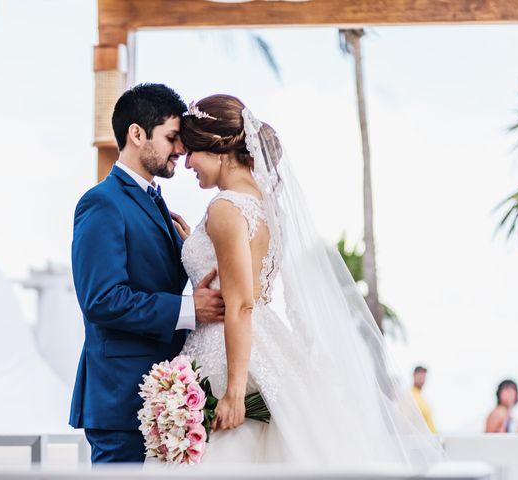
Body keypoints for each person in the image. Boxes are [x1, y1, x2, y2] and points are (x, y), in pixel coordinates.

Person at [172, 94, 445, 467]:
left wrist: (235, 390)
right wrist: (197, 244)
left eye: (192, 153)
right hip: (267, 342)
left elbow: (240, 303)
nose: (187, 162)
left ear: (218, 149)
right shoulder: (268, 207)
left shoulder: (224, 208)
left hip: (231, 347)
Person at [69, 83, 224, 463]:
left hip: (164, 398)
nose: (181, 150)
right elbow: (102, 300)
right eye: (172, 138)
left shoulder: (155, 202)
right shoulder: (102, 203)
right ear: (137, 134)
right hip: (121, 401)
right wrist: (191, 310)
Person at [410, 365, 437, 433]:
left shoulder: (422, 397)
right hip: (421, 440)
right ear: (414, 375)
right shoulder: (410, 396)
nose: (422, 378)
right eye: (420, 375)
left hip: (432, 439)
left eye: (424, 376)